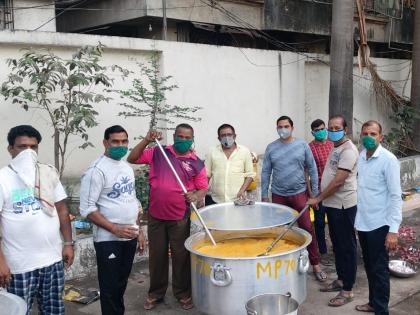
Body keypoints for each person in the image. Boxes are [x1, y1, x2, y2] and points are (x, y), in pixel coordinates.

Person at [127, 123, 208, 311]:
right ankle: (155, 293)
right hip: (156, 215)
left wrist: (195, 196)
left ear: (193, 139)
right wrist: (147, 139)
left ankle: (182, 293)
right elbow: (132, 158)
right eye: (180, 136)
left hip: (179, 216)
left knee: (181, 256)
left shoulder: (196, 162)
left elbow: (203, 187)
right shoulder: (159, 152)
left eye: (188, 138)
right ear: (174, 136)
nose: (183, 140)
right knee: (157, 256)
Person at [0, 125, 74, 314]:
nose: (28, 152)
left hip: (52, 260)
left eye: (33, 147)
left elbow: (62, 209)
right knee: (18, 310)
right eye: (22, 147)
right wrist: (1, 261)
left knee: (53, 310)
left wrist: (68, 243)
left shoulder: (47, 173)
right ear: (10, 149)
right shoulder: (3, 179)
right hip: (19, 266)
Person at [79, 125, 145, 315]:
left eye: (124, 141)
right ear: (105, 143)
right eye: (115, 141)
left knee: (121, 283)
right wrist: (114, 229)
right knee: (109, 287)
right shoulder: (96, 171)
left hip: (129, 236)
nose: (121, 145)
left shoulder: (126, 167)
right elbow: (87, 209)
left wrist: (138, 230)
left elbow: (131, 201)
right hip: (108, 240)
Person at [261, 115, 326, 282]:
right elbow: (266, 172)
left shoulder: (302, 145)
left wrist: (315, 194)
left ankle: (315, 264)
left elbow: (312, 169)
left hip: (299, 193)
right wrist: (264, 195)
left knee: (306, 228)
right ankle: (280, 264)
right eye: (280, 126)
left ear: (292, 127)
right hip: (278, 195)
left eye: (286, 126)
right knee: (278, 230)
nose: (283, 129)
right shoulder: (271, 148)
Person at [307, 115, 358, 307]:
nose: (332, 130)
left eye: (337, 127)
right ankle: (341, 280)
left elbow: (338, 181)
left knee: (347, 247)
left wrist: (318, 198)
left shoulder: (348, 150)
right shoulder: (335, 147)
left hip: (344, 205)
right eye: (330, 127)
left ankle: (348, 290)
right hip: (333, 205)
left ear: (345, 129)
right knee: (337, 244)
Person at [354, 120, 402, 314]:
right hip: (363, 223)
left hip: (380, 224)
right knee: (369, 267)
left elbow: (395, 195)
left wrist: (393, 230)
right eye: (365, 133)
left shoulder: (388, 160)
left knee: (379, 270)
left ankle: (381, 310)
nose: (368, 137)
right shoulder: (361, 157)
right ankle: (373, 303)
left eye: (373, 134)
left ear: (381, 137)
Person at [205, 123, 255, 204]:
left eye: (229, 134)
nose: (226, 137)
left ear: (234, 136)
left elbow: (250, 175)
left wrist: (242, 190)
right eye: (223, 135)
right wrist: (201, 196)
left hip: (237, 200)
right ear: (219, 138)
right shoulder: (212, 152)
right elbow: (206, 176)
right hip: (215, 200)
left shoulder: (244, 151)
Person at [308, 119, 334, 265]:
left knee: (335, 221)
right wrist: (311, 194)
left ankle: (336, 248)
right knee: (319, 222)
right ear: (313, 132)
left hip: (333, 190)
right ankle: (323, 252)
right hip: (318, 192)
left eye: (323, 129)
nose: (321, 132)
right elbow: (307, 173)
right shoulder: (309, 148)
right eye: (317, 130)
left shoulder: (332, 145)